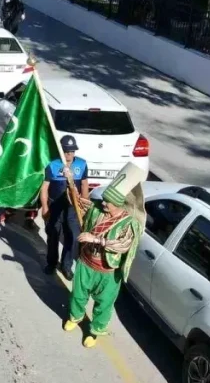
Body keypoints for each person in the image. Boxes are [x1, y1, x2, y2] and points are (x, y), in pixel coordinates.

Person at [64, 163, 145, 348]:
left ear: (117, 204)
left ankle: (94, 331)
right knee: (78, 294)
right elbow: (79, 202)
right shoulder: (97, 209)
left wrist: (96, 240)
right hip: (86, 263)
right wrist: (70, 181)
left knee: (104, 303)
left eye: (107, 202)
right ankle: (75, 317)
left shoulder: (128, 223)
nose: (104, 204)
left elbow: (123, 245)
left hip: (108, 271)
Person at [41, 135, 90, 279]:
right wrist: (45, 207)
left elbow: (84, 184)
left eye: (72, 151)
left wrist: (84, 204)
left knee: (72, 237)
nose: (69, 154)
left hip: (72, 209)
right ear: (61, 151)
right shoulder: (52, 164)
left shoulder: (81, 164)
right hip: (54, 207)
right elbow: (45, 187)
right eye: (66, 151)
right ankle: (51, 263)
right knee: (53, 236)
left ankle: (66, 266)